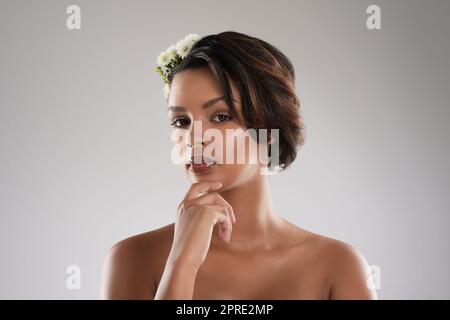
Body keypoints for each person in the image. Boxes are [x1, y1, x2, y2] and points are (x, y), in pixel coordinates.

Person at [100, 31, 378, 300]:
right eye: (181, 122)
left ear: (269, 132)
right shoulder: (132, 260)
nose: (195, 139)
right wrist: (181, 264)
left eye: (220, 117)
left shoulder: (339, 267)